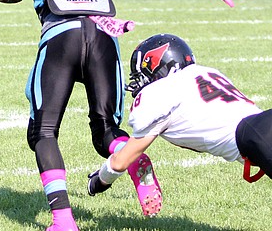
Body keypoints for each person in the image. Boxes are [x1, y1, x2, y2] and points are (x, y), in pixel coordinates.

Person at [0, 0, 254, 230]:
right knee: (106, 130)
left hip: (60, 32)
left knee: (43, 132)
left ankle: (63, 221)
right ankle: (134, 158)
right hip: (103, 32)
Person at [88, 33, 272, 206]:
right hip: (262, 123)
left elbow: (121, 161)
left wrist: (99, 181)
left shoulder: (158, 93)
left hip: (255, 136)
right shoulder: (205, 72)